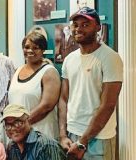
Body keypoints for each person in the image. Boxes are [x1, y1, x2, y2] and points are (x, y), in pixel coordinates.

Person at [58, 7, 123, 159]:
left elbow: (108, 105)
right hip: (72, 135)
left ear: (98, 27)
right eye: (75, 24)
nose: (79, 28)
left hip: (98, 138)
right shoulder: (69, 59)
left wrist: (82, 142)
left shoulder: (110, 58)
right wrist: (62, 134)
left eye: (85, 24)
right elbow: (63, 99)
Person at [8, 32, 61, 139]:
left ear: (43, 50)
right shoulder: (18, 70)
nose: (30, 51)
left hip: (41, 134)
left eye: (35, 48)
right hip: (20, 134)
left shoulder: (49, 72)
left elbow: (46, 106)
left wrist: (22, 124)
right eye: (27, 47)